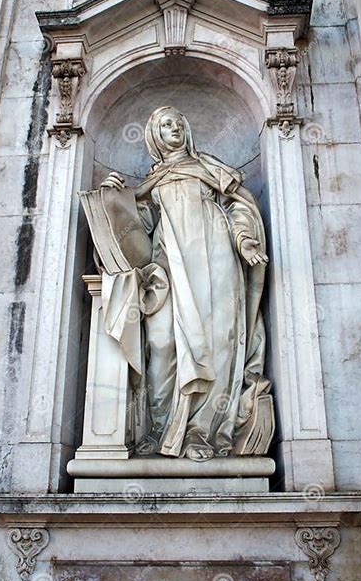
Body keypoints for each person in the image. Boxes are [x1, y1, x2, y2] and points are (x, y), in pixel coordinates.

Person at [101, 106, 271, 462]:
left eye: (180, 122)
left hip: (216, 257)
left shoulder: (209, 168)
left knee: (214, 338)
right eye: (166, 124)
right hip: (168, 267)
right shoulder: (149, 184)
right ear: (154, 135)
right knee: (161, 342)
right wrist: (112, 199)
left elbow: (237, 206)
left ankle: (201, 432)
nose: (175, 127)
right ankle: (159, 428)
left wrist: (244, 240)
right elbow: (133, 233)